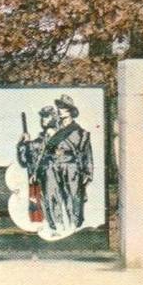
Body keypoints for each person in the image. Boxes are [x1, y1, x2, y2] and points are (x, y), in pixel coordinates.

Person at [35, 94, 93, 237]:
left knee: (73, 198)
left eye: (64, 108)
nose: (60, 110)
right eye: (59, 107)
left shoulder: (80, 132)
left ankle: (73, 229)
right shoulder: (52, 130)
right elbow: (43, 151)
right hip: (52, 166)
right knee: (51, 196)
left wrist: (88, 173)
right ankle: (57, 227)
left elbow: (87, 154)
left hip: (71, 167)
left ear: (71, 111)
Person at [17, 106, 56, 223]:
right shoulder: (37, 142)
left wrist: (28, 144)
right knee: (37, 214)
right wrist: (23, 144)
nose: (43, 119)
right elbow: (25, 163)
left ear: (54, 118)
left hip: (53, 183)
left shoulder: (61, 137)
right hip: (37, 184)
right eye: (42, 116)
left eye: (47, 116)